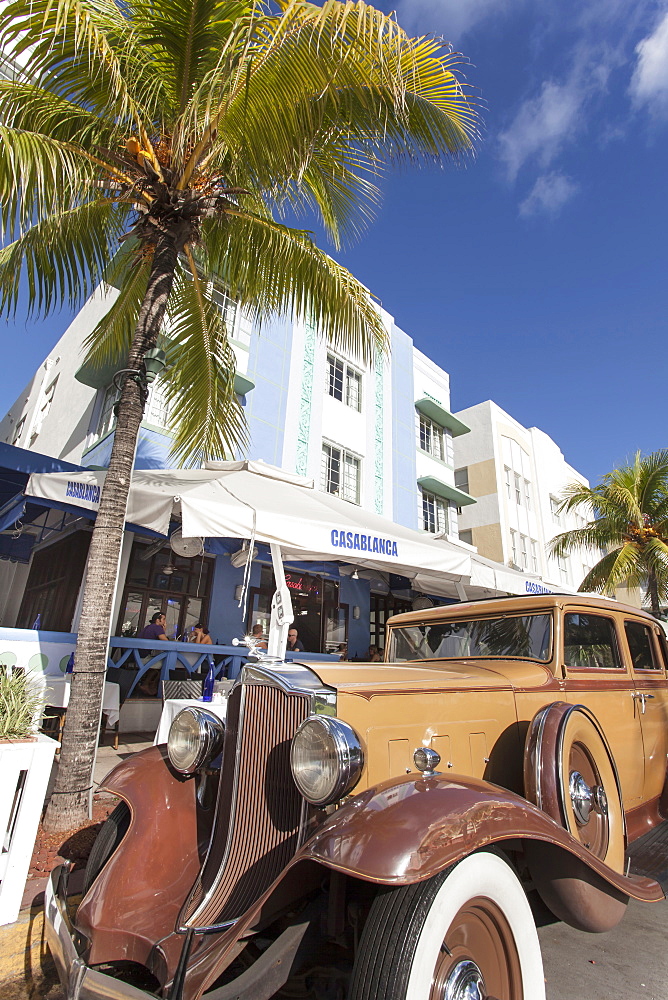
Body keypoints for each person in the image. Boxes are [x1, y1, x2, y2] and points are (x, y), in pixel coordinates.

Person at [137, 612, 168, 695]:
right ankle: (148, 685)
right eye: (164, 619)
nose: (165, 621)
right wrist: (164, 630)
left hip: (137, 656)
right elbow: (166, 642)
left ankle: (148, 684)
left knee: (158, 661)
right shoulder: (157, 628)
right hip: (144, 658)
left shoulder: (148, 627)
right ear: (158, 620)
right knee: (165, 664)